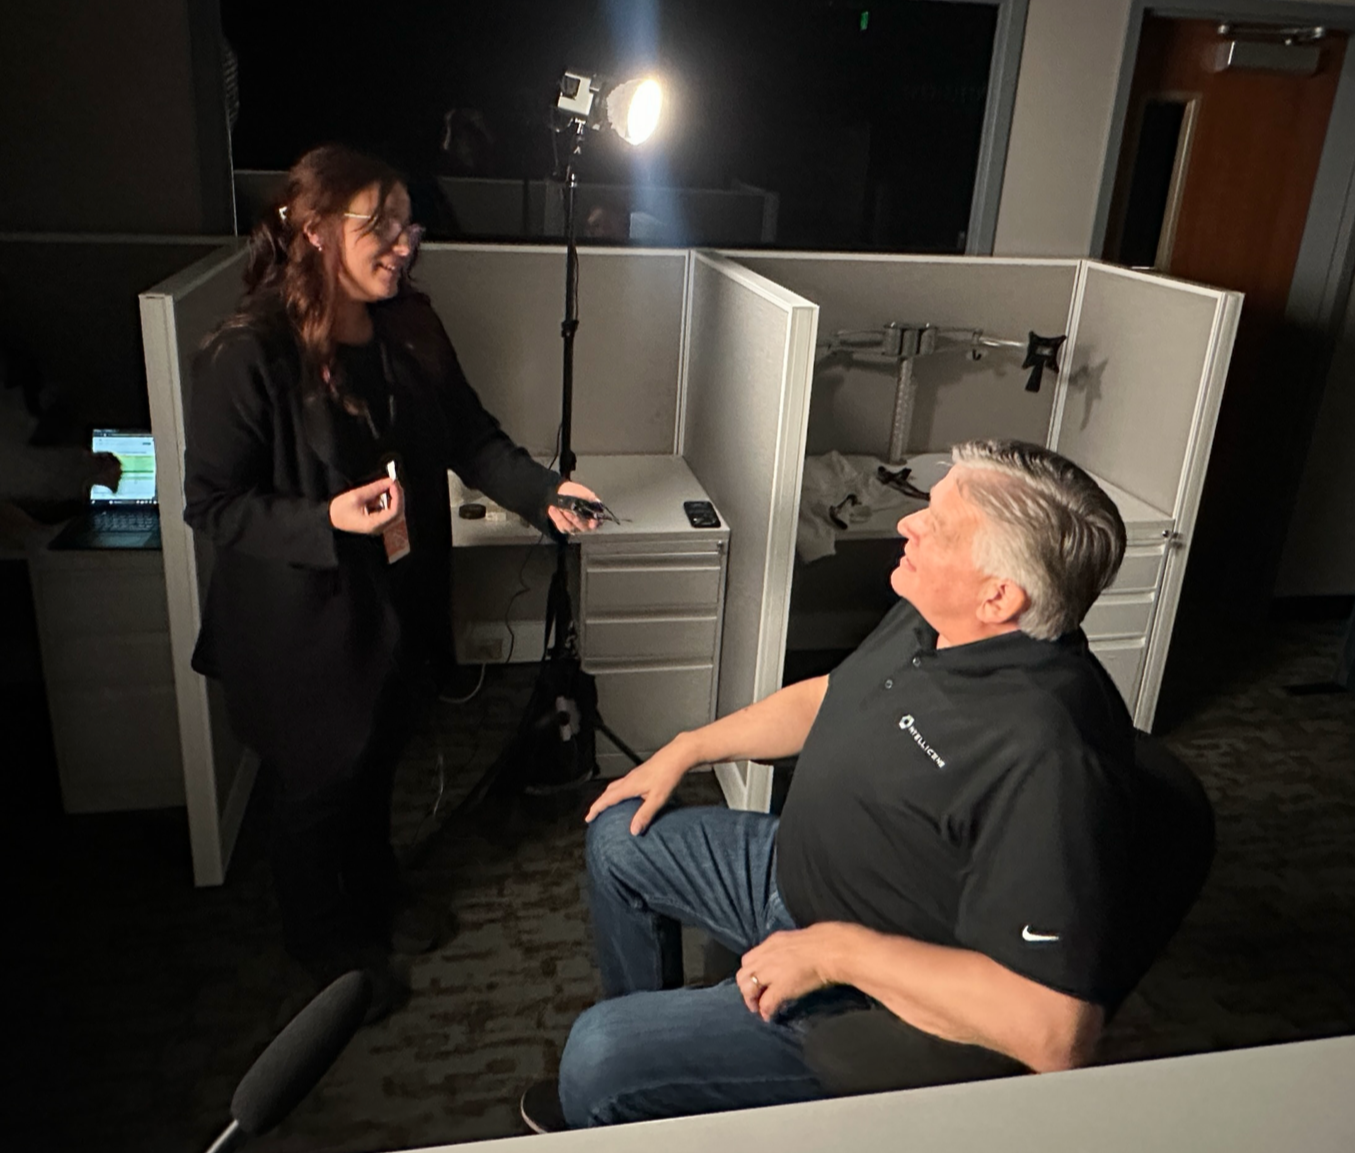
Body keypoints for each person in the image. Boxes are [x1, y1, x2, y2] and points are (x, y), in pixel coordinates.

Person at [520, 438, 1143, 1130]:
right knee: (620, 834)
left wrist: (837, 951)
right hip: (796, 878)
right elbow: (831, 697)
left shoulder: (1048, 754)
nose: (906, 525)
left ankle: (634, 1076)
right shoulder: (936, 616)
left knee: (597, 1054)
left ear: (998, 595)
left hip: (873, 988)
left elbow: (1056, 1033)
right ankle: (665, 1094)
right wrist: (687, 747)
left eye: (933, 524)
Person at [184, 144, 601, 1020]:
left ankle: (375, 894)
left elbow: (471, 436)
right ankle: (324, 945)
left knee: (377, 763)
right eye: (381, 225)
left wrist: (542, 493)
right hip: (301, 623)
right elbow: (214, 505)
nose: (405, 244)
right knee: (315, 790)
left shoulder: (409, 327)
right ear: (314, 229)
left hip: (401, 598)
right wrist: (325, 522)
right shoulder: (248, 351)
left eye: (408, 224)